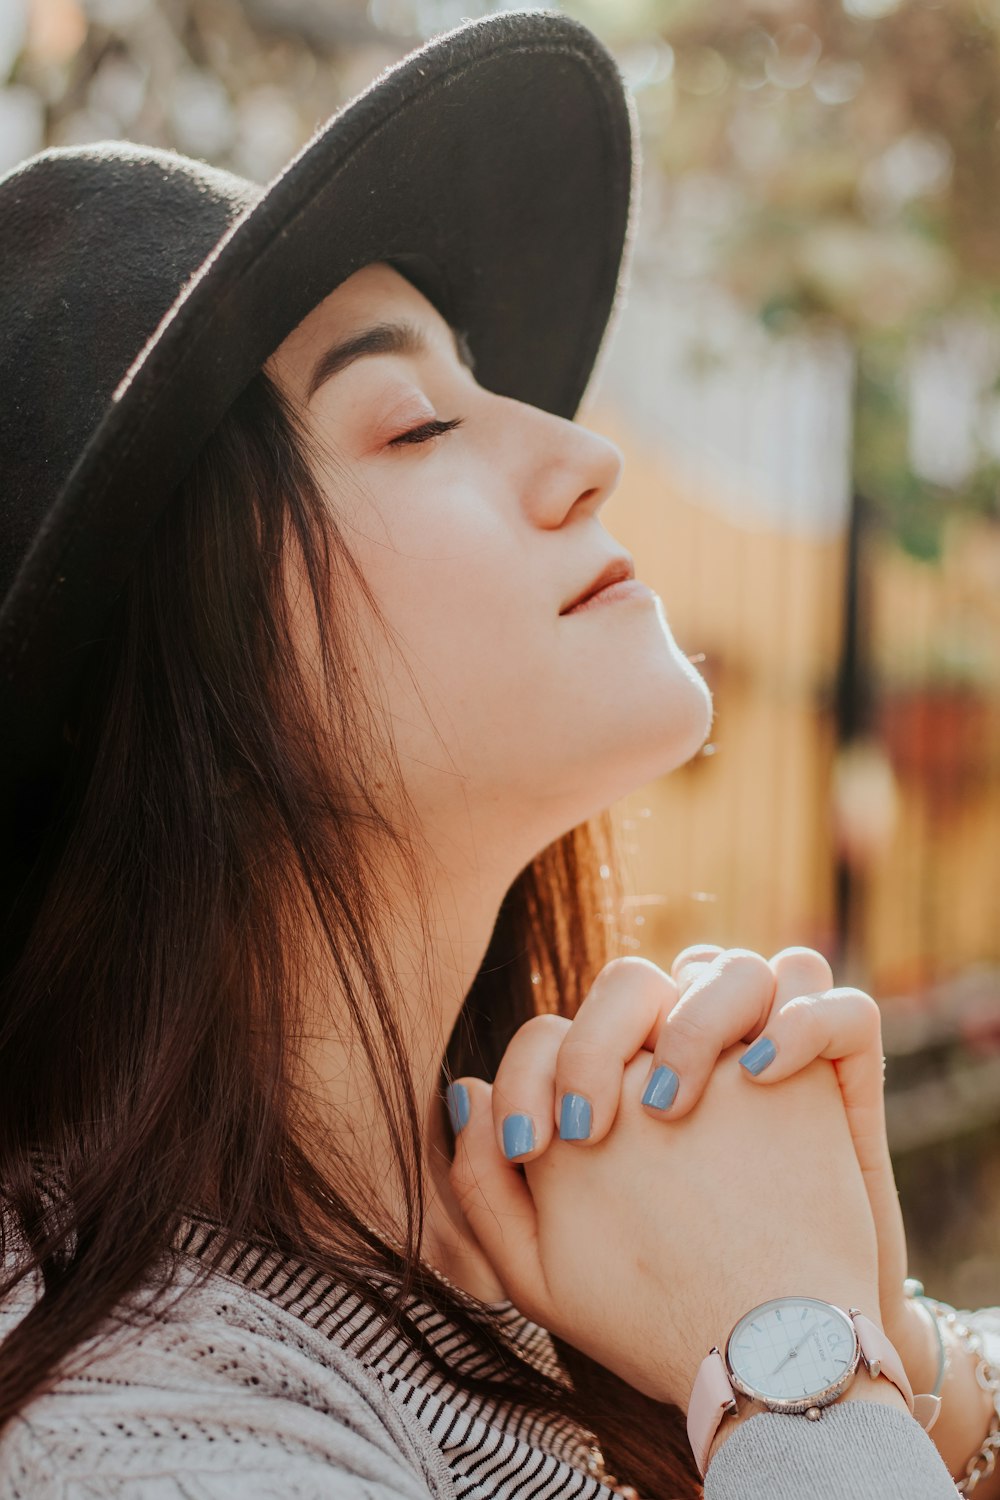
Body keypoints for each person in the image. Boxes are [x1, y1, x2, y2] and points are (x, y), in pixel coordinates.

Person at [0, 10, 994, 1498]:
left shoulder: (559, 1242)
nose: (579, 450)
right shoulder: (129, 1437)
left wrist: (897, 1372)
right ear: (174, 693)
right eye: (411, 423)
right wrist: (785, 1362)